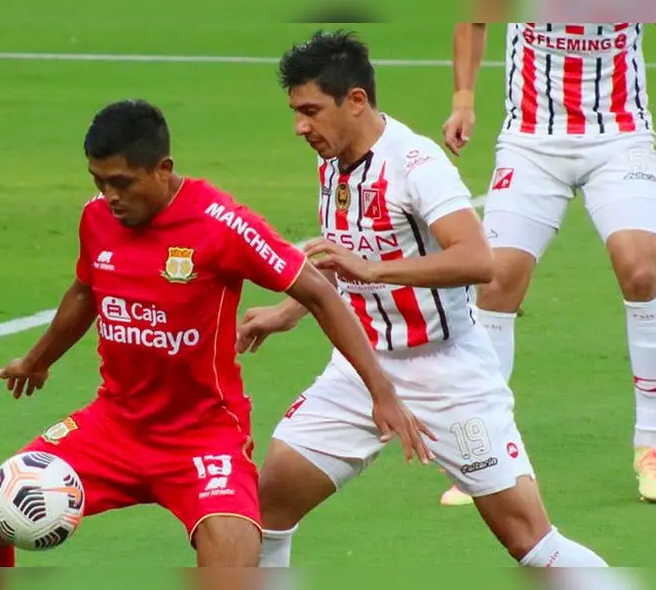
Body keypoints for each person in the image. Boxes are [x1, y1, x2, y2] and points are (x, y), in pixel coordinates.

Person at [0, 99, 434, 569]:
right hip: (114, 426)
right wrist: (39, 359)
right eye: (99, 183)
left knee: (234, 559)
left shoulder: (221, 224)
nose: (110, 197)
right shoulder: (98, 217)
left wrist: (380, 390)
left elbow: (321, 294)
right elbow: (85, 291)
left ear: (163, 168)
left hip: (202, 439)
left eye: (121, 183)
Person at [239, 30, 631, 580]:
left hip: (448, 372)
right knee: (269, 504)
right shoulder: (334, 160)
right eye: (295, 112)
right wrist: (290, 311)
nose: (300, 126)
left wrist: (373, 270)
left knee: (529, 540)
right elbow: (345, 252)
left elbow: (477, 259)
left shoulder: (417, 163)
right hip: (361, 367)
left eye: (310, 111)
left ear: (355, 101)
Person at [439, 21, 656, 506]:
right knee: (496, 280)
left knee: (642, 270)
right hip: (530, 140)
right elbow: (473, 18)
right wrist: (464, 99)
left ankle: (651, 445)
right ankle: (487, 457)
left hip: (619, 138)